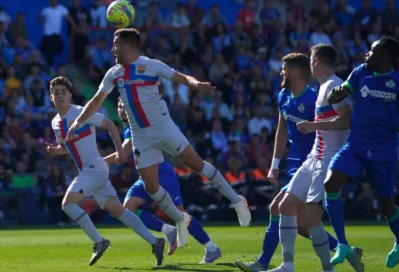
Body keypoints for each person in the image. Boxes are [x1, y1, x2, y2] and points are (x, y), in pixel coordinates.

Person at [65, 28, 251, 248]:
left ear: (128, 46)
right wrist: (78, 121)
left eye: (116, 44)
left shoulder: (151, 65)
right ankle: (181, 219)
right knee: (152, 188)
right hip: (140, 136)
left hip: (163, 128)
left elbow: (181, 77)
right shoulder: (114, 73)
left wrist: (196, 84)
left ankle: (237, 200)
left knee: (196, 164)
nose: (112, 48)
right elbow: (96, 100)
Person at [325, 36, 399, 268]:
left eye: (372, 51)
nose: (367, 54)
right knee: (331, 183)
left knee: (387, 206)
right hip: (356, 146)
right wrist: (336, 94)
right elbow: (341, 92)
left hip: (384, 151)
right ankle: (342, 244)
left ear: (386, 57)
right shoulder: (359, 73)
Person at [235, 53, 339, 272]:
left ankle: (266, 263)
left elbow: (333, 129)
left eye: (283, 69)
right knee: (299, 223)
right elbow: (282, 132)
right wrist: (274, 165)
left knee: (285, 213)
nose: (280, 72)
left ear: (293, 72)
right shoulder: (283, 95)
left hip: (314, 163)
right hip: (295, 164)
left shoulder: (314, 99)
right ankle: (342, 250)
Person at [46, 77, 165, 266]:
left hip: (94, 168)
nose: (60, 95)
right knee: (119, 212)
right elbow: (67, 146)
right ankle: (155, 242)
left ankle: (99, 241)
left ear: (70, 95)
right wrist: (56, 151)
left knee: (67, 205)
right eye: (56, 92)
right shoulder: (55, 122)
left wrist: (119, 151)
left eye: (63, 92)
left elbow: (109, 125)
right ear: (51, 97)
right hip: (91, 171)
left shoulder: (81, 112)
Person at [265, 45, 363, 272]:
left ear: (317, 62)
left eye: (311, 59)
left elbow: (347, 121)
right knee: (284, 206)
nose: (309, 64)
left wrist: (313, 125)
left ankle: (329, 268)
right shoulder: (321, 87)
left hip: (329, 159)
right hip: (314, 157)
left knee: (308, 221)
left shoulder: (335, 86)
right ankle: (287, 265)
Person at [104, 98, 222, 264]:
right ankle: (168, 230)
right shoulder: (128, 128)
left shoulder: (136, 125)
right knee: (128, 210)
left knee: (180, 214)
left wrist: (98, 163)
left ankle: (211, 248)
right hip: (145, 176)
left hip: (161, 173)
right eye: (119, 106)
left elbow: (124, 152)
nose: (121, 109)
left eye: (125, 105)